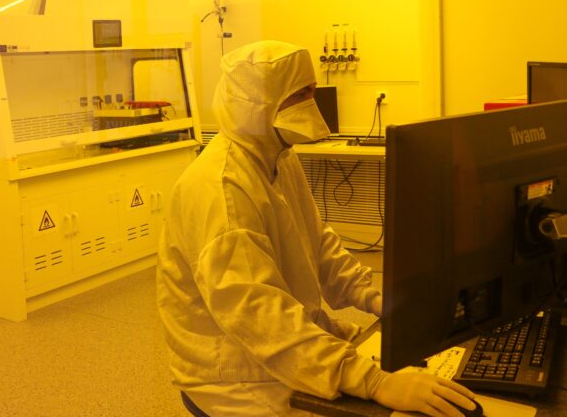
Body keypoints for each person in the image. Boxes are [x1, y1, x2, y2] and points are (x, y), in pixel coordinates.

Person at [156, 40, 478, 416]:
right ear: (257, 104)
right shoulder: (221, 191)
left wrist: (382, 300)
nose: (312, 102)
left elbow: (319, 244)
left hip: (284, 344)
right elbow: (260, 316)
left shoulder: (278, 156)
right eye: (300, 95)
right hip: (235, 377)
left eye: (312, 91)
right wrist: (374, 382)